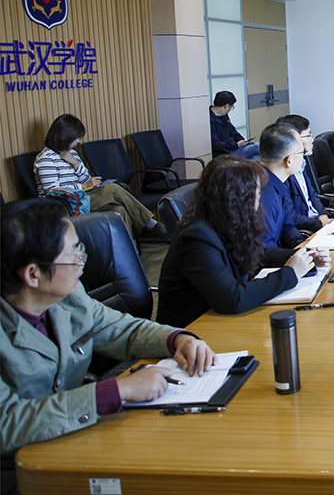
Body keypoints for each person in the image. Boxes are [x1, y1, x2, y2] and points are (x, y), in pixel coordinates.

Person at [1, 200, 217, 470]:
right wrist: (119, 390)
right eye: (73, 254)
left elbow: (122, 329)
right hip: (26, 465)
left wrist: (177, 339)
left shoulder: (69, 299)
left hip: (79, 437)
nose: (82, 261)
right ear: (33, 275)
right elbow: (7, 424)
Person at [156, 157, 322, 328]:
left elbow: (256, 253)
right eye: (257, 193)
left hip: (221, 321)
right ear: (238, 198)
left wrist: (302, 256)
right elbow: (233, 299)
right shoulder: (196, 237)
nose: (260, 200)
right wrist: (290, 273)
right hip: (194, 329)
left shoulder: (224, 218)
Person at [33, 114, 169, 240]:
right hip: (64, 205)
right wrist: (83, 186)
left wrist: (76, 164)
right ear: (65, 137)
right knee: (114, 189)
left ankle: (125, 248)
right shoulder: (46, 158)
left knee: (118, 210)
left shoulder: (72, 154)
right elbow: (52, 191)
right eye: (76, 138)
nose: (78, 141)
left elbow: (86, 179)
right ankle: (150, 224)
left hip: (81, 198)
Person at [256, 124, 314, 258]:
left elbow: (287, 227)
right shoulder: (263, 195)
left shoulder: (278, 182)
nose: (303, 157)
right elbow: (264, 253)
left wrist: (305, 251)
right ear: (289, 161)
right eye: (302, 153)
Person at [276, 114, 333, 226]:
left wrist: (324, 215)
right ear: (295, 139)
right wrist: (319, 223)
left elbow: (313, 196)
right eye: (308, 135)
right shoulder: (284, 173)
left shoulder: (302, 163)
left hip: (319, 220)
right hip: (307, 227)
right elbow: (291, 216)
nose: (312, 140)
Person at [209, 91, 259, 159]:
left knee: (256, 158)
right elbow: (216, 144)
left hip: (232, 147)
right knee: (256, 146)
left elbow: (233, 130)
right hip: (225, 152)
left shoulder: (223, 115)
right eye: (231, 107)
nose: (230, 110)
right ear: (226, 106)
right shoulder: (210, 120)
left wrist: (242, 141)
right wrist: (236, 145)